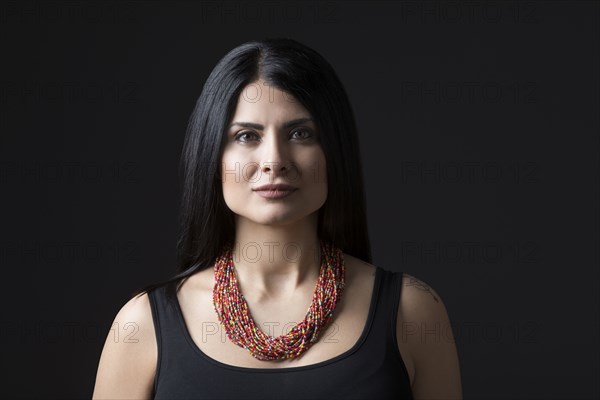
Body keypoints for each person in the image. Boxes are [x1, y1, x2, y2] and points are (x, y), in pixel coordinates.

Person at [92, 37, 462, 400]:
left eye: (301, 133)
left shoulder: (412, 311)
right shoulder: (140, 325)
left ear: (335, 153)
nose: (274, 159)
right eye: (247, 136)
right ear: (212, 156)